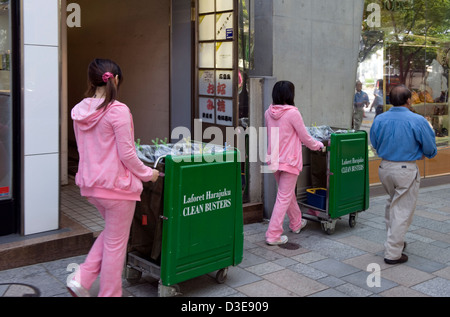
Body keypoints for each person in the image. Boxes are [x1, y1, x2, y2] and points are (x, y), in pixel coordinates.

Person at [68, 58, 159, 297]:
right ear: (115, 79)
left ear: (92, 80)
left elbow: (83, 149)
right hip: (117, 188)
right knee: (115, 244)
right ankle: (108, 293)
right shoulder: (118, 111)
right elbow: (127, 154)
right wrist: (149, 174)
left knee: (111, 234)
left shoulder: (79, 111)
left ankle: (81, 279)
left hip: (90, 186)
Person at [370, 85, 437, 264]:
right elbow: (430, 148)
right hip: (406, 169)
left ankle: (394, 240)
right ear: (408, 100)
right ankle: (393, 252)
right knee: (401, 210)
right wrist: (426, 153)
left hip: (384, 168)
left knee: (393, 203)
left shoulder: (380, 119)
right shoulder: (417, 120)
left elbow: (374, 143)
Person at [265, 81, 324, 245]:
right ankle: (273, 235)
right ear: (290, 95)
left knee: (287, 194)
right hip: (289, 161)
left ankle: (296, 223)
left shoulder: (268, 113)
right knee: (284, 197)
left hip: (274, 159)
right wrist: (318, 145)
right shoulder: (293, 113)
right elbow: (305, 136)